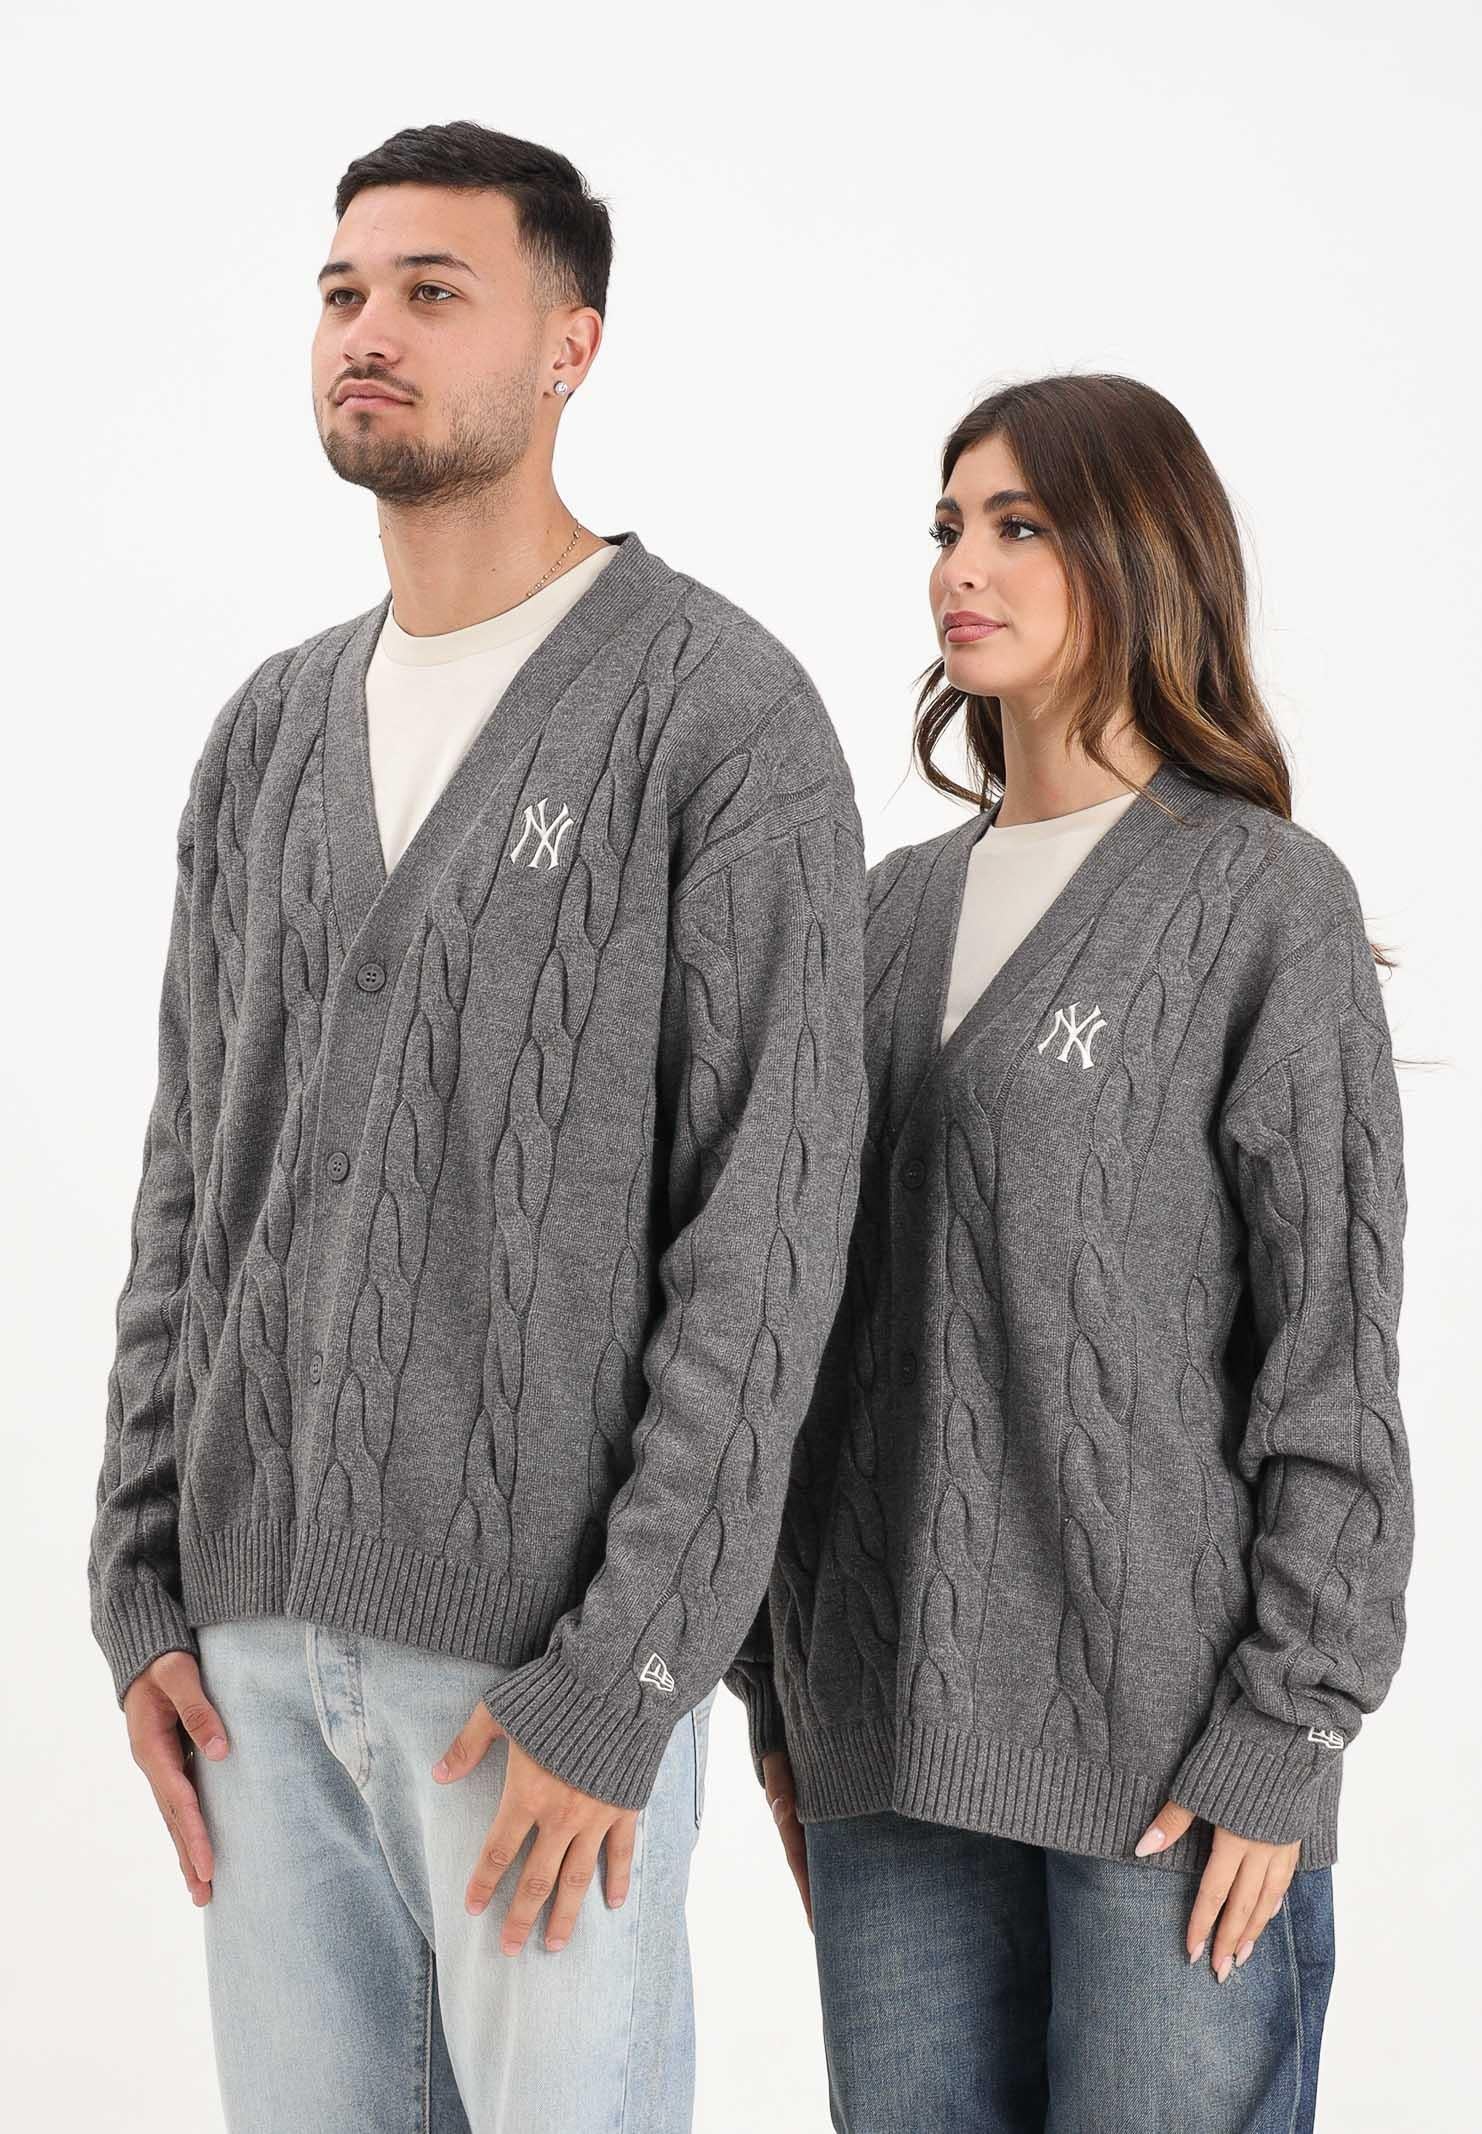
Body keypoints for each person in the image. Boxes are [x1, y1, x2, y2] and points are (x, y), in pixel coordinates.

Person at [88, 120, 867, 2134]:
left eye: (435, 292)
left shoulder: (716, 711)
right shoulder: (267, 733)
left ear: (569, 344)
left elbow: (769, 1228)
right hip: (252, 1673)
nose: (371, 329)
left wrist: (627, 1671)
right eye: (345, 292)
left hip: (540, 1679)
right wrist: (139, 1580)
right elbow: (192, 1184)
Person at [727, 373, 1413, 2133]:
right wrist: (777, 1694)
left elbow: (1330, 1362)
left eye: (1018, 525)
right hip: (884, 1750)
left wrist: (1286, 1726)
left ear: (1138, 553)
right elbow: (793, 1338)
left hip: (1166, 1769)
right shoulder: (876, 918)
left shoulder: (1259, 901)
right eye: (947, 525)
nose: (960, 565)